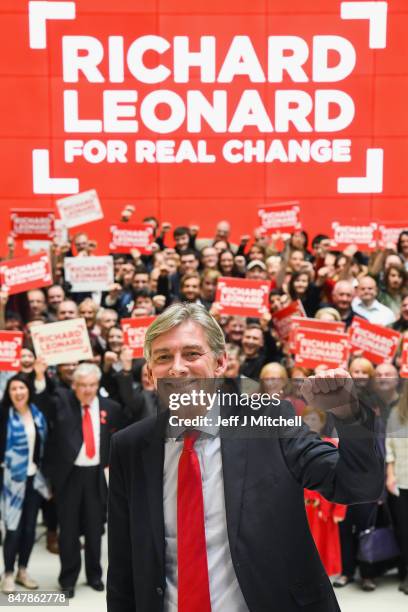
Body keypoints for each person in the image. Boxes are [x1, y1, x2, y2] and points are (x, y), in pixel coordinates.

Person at [107, 303, 384, 612]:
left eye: (191, 354)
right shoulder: (128, 447)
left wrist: (349, 416)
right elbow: (122, 566)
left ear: (221, 362)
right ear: (149, 372)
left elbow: (357, 486)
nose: (177, 368)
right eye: (162, 357)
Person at [34, 362, 125, 598]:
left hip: (96, 475)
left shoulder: (110, 407)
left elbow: (120, 436)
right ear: (74, 385)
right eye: (82, 385)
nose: (87, 390)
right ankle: (68, 579)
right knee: (69, 531)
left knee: (96, 530)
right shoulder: (62, 401)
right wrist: (40, 375)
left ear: (98, 385)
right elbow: (42, 403)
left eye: (92, 385)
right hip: (69, 476)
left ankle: (94, 575)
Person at [0, 374, 49, 594]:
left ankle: (23, 571)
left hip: (34, 479)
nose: (18, 392)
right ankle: (8, 574)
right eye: (13, 389)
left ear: (28, 390)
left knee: (29, 529)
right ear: (8, 393)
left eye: (22, 387)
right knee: (13, 530)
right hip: (10, 482)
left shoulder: (37, 414)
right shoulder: (3, 415)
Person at [386, 381, 408, 594]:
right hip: (401, 481)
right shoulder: (396, 413)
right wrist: (390, 475)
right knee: (403, 530)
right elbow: (389, 446)